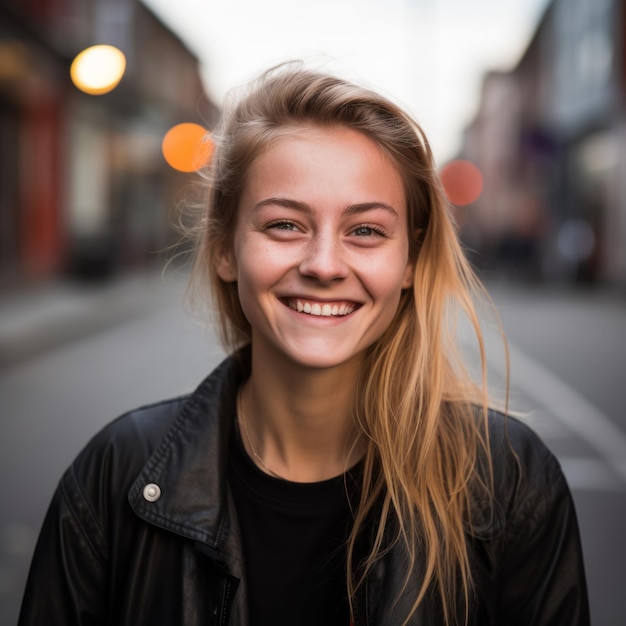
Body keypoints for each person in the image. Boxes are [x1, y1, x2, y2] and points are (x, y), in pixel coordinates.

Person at [18, 63, 589, 626]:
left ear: (410, 261)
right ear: (224, 249)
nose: (323, 265)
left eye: (365, 231)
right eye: (285, 225)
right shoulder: (113, 475)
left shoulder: (511, 482)